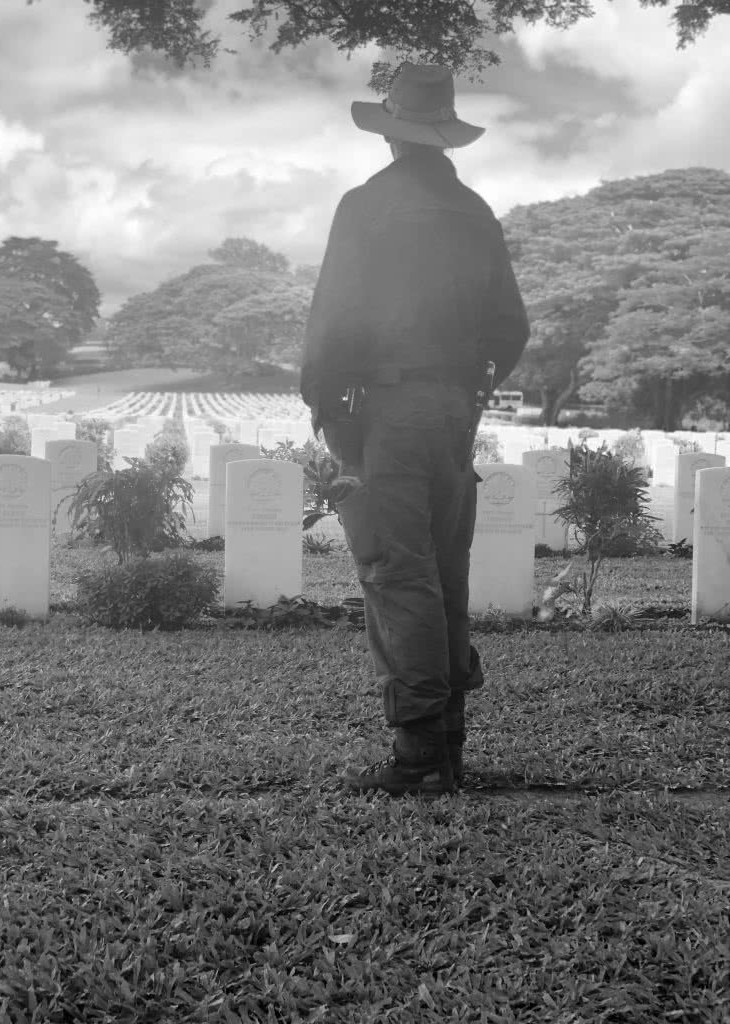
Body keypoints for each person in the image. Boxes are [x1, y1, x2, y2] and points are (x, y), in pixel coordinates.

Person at [300, 62, 530, 797]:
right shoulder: (476, 211)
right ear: (445, 135)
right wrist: (473, 381)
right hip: (457, 411)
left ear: (392, 136)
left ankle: (419, 753)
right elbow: (512, 329)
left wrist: (327, 404)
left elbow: (334, 317)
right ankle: (449, 743)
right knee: (444, 569)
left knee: (397, 573)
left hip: (391, 410)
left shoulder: (366, 206)